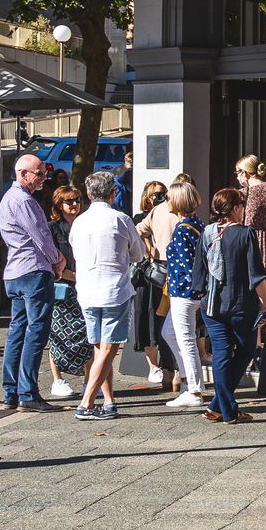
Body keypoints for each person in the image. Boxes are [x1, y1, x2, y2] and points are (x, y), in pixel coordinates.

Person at [65, 170, 137, 421]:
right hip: (113, 289)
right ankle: (86, 402)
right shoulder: (120, 219)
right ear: (113, 194)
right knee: (108, 348)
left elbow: (75, 251)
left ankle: (108, 401)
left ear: (87, 194)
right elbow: (138, 253)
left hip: (86, 290)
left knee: (100, 348)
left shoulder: (79, 222)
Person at [0, 153, 63, 412]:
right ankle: (27, 392)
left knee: (17, 331)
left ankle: (11, 391)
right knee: (36, 331)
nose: (43, 179)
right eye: (39, 174)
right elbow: (40, 236)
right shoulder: (23, 200)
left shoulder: (9, 199)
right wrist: (57, 260)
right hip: (32, 271)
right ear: (23, 173)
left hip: (15, 272)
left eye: (44, 174)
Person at [201, 186, 266, 425]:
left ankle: (217, 407)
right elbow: (256, 273)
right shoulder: (245, 234)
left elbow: (199, 273)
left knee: (221, 354)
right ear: (236, 208)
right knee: (246, 351)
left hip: (211, 305)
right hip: (240, 305)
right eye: (242, 205)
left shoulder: (207, 232)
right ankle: (228, 411)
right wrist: (265, 303)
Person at [160, 182, 211, 408]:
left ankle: (194, 389)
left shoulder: (182, 229)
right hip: (187, 291)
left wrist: (191, 288)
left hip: (184, 291)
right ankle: (186, 380)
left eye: (169, 197)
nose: (166, 201)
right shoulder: (195, 224)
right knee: (169, 332)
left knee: (185, 339)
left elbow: (188, 265)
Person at [43, 186, 93, 400]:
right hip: (63, 286)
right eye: (69, 201)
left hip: (87, 285)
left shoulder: (87, 225)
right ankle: (58, 379)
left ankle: (88, 380)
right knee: (56, 333)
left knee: (88, 334)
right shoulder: (52, 229)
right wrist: (72, 276)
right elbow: (52, 259)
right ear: (59, 205)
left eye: (77, 200)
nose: (74, 204)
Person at [131, 178, 179, 390]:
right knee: (161, 322)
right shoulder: (158, 213)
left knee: (166, 323)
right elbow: (138, 231)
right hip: (158, 272)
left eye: (163, 193)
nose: (159, 198)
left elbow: (139, 230)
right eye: (154, 194)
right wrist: (148, 247)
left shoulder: (167, 212)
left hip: (164, 270)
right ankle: (169, 371)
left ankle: (171, 370)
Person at [235, 154, 266, 275]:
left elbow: (237, 223)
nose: (237, 177)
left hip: (250, 243)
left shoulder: (242, 194)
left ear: (245, 173)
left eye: (237, 173)